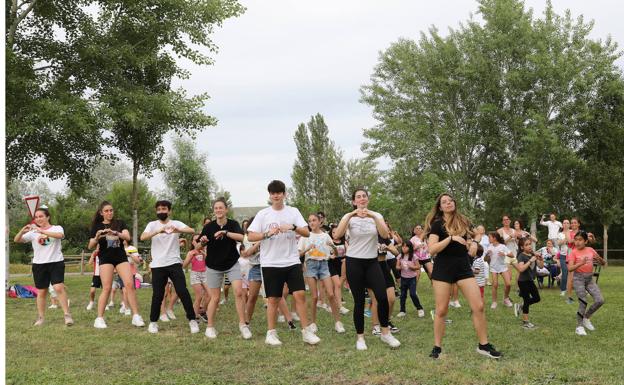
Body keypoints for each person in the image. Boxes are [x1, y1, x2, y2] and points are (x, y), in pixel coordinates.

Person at [425, 193, 501, 359]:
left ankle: (483, 345)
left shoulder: (463, 220)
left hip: (463, 268)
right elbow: (432, 249)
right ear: (440, 207)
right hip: (443, 268)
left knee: (478, 306)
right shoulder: (437, 224)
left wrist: (474, 242)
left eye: (450, 200)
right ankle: (437, 348)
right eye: (444, 202)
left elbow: (479, 233)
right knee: (441, 309)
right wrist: (451, 238)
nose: (448, 203)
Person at [247, 180, 321, 346]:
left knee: (300, 294)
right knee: (273, 299)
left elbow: (307, 233)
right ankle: (271, 334)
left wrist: (293, 227)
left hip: (292, 260)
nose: (276, 195)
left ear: (284, 194)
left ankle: (305, 332)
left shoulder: (293, 211)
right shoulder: (263, 214)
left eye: (279, 192)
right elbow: (250, 236)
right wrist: (266, 234)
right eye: (273, 193)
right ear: (270, 196)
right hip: (270, 263)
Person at [334, 187, 401, 350]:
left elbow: (385, 236)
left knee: (382, 297)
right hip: (354, 262)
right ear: (354, 201)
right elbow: (337, 235)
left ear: (368, 199)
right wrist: (351, 214)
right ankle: (360, 338)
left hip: (372, 263)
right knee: (359, 301)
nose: (362, 198)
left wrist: (372, 216)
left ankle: (385, 333)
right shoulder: (348, 217)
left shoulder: (376, 216)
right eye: (358, 197)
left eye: (364, 196)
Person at [141, 200, 198, 334]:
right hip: (158, 265)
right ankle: (153, 322)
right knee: (158, 295)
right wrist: (157, 231)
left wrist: (178, 230)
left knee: (182, 291)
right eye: (159, 209)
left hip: (174, 263)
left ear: (169, 211)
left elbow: (192, 230)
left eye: (164, 209)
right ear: (156, 211)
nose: (161, 211)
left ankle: (192, 320)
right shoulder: (152, 224)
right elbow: (143, 237)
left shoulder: (176, 223)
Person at [198, 198, 250, 340]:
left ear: (226, 210)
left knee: (239, 292)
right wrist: (202, 243)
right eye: (216, 208)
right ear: (214, 211)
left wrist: (225, 233)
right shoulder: (209, 227)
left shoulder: (233, 224)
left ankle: (243, 325)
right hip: (213, 266)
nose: (218, 210)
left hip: (232, 263)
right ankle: (210, 327)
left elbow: (242, 238)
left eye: (221, 208)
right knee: (215, 297)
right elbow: (197, 246)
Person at [88, 201, 144, 329]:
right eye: (106, 211)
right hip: (105, 259)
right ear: (101, 213)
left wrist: (116, 233)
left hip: (120, 257)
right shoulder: (97, 226)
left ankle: (136, 316)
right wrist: (97, 237)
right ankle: (99, 319)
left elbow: (127, 237)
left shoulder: (119, 223)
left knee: (130, 285)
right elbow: (90, 245)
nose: (109, 213)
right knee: (106, 288)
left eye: (111, 210)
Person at [14, 208, 73, 326]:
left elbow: (59, 235)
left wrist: (41, 230)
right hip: (39, 264)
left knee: (58, 288)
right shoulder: (33, 232)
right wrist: (22, 230)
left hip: (56, 262)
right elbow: (17, 240)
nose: (38, 219)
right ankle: (41, 318)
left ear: (48, 217)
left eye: (41, 216)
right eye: (36, 217)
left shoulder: (56, 228)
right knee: (41, 292)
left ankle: (67, 315)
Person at [298, 213, 345, 334]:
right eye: (309, 221)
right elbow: (298, 254)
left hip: (324, 265)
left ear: (320, 222)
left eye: (314, 220)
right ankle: (312, 323)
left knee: (330, 294)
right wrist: (307, 249)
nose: (312, 223)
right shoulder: (305, 236)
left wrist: (333, 248)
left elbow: (335, 252)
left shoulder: (325, 236)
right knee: (314, 297)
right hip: (311, 266)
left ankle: (338, 322)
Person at [568, 231, 606, 336]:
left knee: (600, 300)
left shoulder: (591, 250)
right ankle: (579, 327)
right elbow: (570, 268)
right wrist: (580, 263)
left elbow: (603, 263)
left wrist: (599, 259)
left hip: (589, 279)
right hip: (578, 279)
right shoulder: (573, 252)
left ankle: (586, 317)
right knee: (583, 302)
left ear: (585, 241)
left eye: (580, 240)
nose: (577, 242)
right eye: (576, 240)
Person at [510, 238, 541, 329]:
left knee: (537, 298)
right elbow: (520, 269)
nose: (529, 246)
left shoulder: (532, 254)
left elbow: (541, 266)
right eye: (526, 245)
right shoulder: (521, 256)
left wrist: (540, 259)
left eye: (529, 244)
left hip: (530, 280)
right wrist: (530, 261)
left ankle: (520, 306)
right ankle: (526, 322)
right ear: (522, 247)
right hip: (523, 281)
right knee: (527, 300)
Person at [183, 235, 209, 323]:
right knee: (199, 296)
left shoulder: (204, 251)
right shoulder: (191, 252)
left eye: (199, 240)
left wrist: (206, 255)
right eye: (196, 240)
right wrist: (190, 256)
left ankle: (202, 311)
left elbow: (209, 263)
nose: (198, 242)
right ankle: (194, 316)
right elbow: (184, 265)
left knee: (210, 295)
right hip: (195, 274)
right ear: (192, 242)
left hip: (205, 274)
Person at [485, 232, 514, 309]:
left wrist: (504, 253)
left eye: (489, 237)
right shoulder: (489, 247)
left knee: (508, 284)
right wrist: (487, 255)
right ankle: (494, 302)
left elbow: (512, 255)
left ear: (494, 238)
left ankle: (506, 299)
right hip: (493, 267)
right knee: (495, 284)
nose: (488, 239)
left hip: (502, 267)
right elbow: (485, 259)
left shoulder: (502, 246)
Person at [395, 242, 424, 318]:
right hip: (403, 278)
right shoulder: (400, 256)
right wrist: (400, 267)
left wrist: (412, 267)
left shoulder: (414, 256)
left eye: (406, 247)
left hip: (412, 279)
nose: (404, 248)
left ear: (410, 248)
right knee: (403, 295)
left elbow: (418, 266)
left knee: (413, 294)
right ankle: (402, 311)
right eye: (403, 246)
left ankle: (420, 308)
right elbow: (397, 267)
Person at [329, 226, 349, 315]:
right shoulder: (329, 242)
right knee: (337, 285)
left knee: (336, 286)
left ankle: (332, 304)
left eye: (337, 232)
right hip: (331, 264)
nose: (335, 234)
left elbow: (349, 252)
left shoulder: (344, 242)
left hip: (342, 264)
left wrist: (346, 259)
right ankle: (340, 307)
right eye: (333, 232)